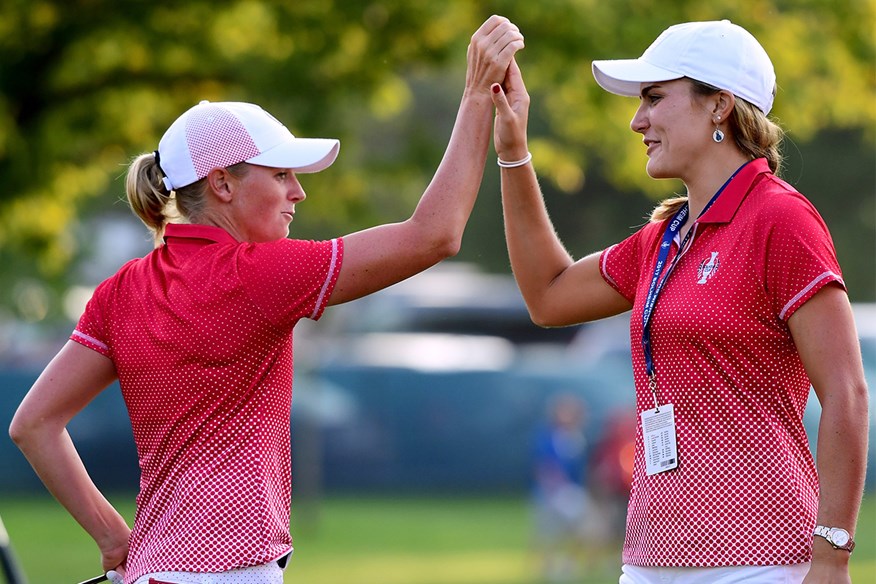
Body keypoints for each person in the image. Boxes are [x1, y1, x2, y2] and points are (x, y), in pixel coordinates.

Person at [9, 15, 523, 584]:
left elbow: (33, 425)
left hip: (151, 572)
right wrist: (477, 96)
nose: (298, 192)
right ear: (223, 184)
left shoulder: (119, 289)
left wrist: (112, 536)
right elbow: (435, 235)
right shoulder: (259, 274)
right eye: (281, 175)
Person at [489, 19, 868, 584]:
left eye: (655, 98)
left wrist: (832, 554)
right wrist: (514, 151)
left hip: (759, 559)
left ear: (719, 106)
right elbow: (548, 295)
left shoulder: (781, 219)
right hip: (650, 555)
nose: (638, 120)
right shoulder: (666, 235)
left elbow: (846, 393)